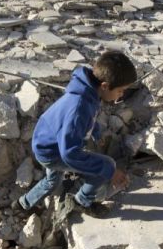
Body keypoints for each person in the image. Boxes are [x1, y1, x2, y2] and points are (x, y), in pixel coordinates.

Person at [15, 51, 136, 213]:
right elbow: (70, 154)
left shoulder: (88, 92)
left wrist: (96, 132)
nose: (121, 95)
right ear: (105, 86)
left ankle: (23, 204)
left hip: (46, 143)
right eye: (120, 90)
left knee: (52, 181)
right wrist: (110, 172)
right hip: (54, 152)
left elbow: (89, 119)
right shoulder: (79, 107)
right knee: (106, 165)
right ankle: (82, 201)